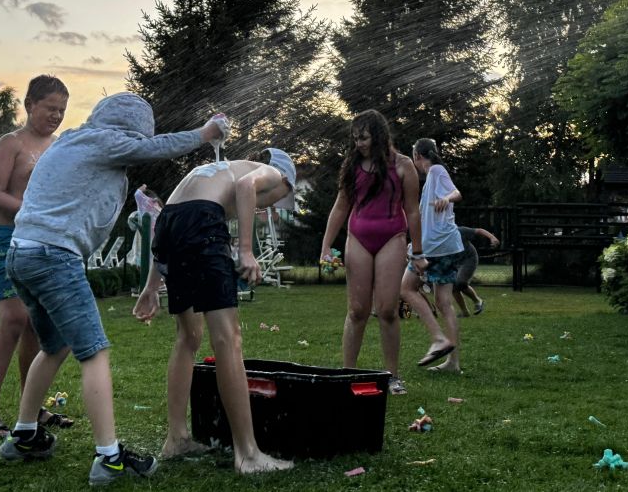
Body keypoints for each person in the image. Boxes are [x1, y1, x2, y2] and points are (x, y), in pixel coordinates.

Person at [0, 93, 228, 487]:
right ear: (129, 129)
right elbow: (154, 148)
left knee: (55, 346)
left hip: (22, 253)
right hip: (54, 255)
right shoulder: (103, 139)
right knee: (94, 351)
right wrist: (205, 133)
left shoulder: (74, 141)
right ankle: (109, 458)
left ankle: (24, 435)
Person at [132, 147, 296, 474]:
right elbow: (247, 187)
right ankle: (248, 454)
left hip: (170, 223)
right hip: (200, 222)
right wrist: (246, 250)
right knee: (228, 338)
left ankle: (177, 438)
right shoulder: (274, 173)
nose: (268, 205)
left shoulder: (213, 172)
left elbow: (172, 220)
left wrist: (151, 287)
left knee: (188, 337)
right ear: (286, 183)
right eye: (276, 200)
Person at [0, 74, 72, 438]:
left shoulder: (59, 146)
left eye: (62, 110)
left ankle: (32, 411)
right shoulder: (11, 143)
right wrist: (31, 213)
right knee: (13, 319)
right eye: (50, 108)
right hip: (6, 238)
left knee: (36, 324)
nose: (56, 115)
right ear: (29, 104)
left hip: (42, 241)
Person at [319, 110, 422, 396]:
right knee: (357, 311)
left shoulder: (403, 166)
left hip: (392, 238)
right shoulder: (353, 166)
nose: (359, 144)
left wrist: (418, 251)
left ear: (378, 135)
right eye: (355, 139)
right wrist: (326, 246)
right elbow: (341, 206)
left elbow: (413, 211)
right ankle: (347, 375)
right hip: (358, 239)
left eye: (363, 138)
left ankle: (392, 377)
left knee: (387, 310)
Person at [401, 138, 464, 374]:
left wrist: (447, 198)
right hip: (447, 245)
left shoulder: (436, 171)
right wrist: (414, 244)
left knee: (406, 288)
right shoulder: (431, 178)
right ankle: (453, 363)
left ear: (417, 156)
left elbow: (456, 193)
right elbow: (426, 218)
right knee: (444, 303)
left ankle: (439, 338)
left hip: (437, 247)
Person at [452, 226, 500, 317]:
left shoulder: (459, 231)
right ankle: (464, 312)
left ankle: (478, 301)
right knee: (453, 286)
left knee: (460, 282)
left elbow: (479, 230)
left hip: (469, 259)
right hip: (455, 261)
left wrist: (492, 237)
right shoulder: (439, 236)